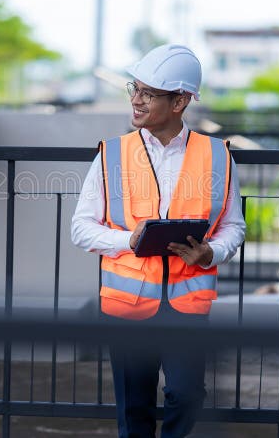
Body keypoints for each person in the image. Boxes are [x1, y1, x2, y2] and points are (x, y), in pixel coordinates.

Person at [70, 44, 246, 437]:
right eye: (134, 89)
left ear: (180, 100)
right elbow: (81, 228)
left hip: (186, 304)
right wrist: (127, 241)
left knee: (187, 395)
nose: (135, 100)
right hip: (128, 305)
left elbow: (234, 226)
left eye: (148, 93)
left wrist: (210, 252)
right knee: (134, 408)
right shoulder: (111, 154)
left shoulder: (217, 156)